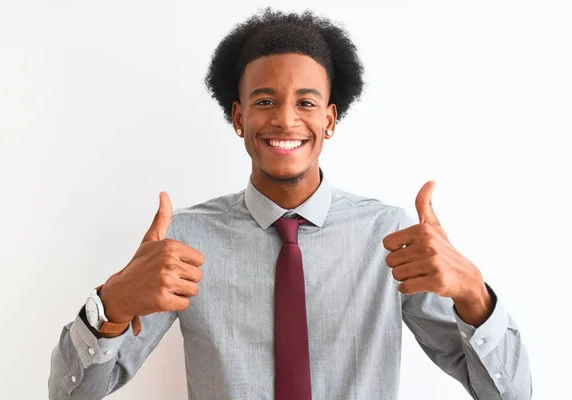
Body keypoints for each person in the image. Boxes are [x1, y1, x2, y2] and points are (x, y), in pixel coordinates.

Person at [48, 8, 531, 400]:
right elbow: (70, 397)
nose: (284, 120)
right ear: (237, 117)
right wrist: (107, 308)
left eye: (305, 102)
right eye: (263, 101)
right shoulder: (186, 242)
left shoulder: (390, 237)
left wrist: (475, 298)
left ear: (330, 119)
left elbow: (510, 395)